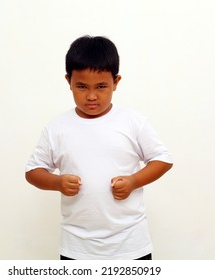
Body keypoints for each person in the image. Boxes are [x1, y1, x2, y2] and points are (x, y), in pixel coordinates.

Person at [25, 35, 173, 260]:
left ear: (116, 82)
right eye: (82, 86)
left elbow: (163, 159)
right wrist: (57, 182)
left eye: (101, 86)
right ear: (69, 82)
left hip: (130, 243)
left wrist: (134, 181)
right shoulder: (57, 128)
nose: (92, 96)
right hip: (76, 246)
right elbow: (33, 172)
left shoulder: (132, 121)